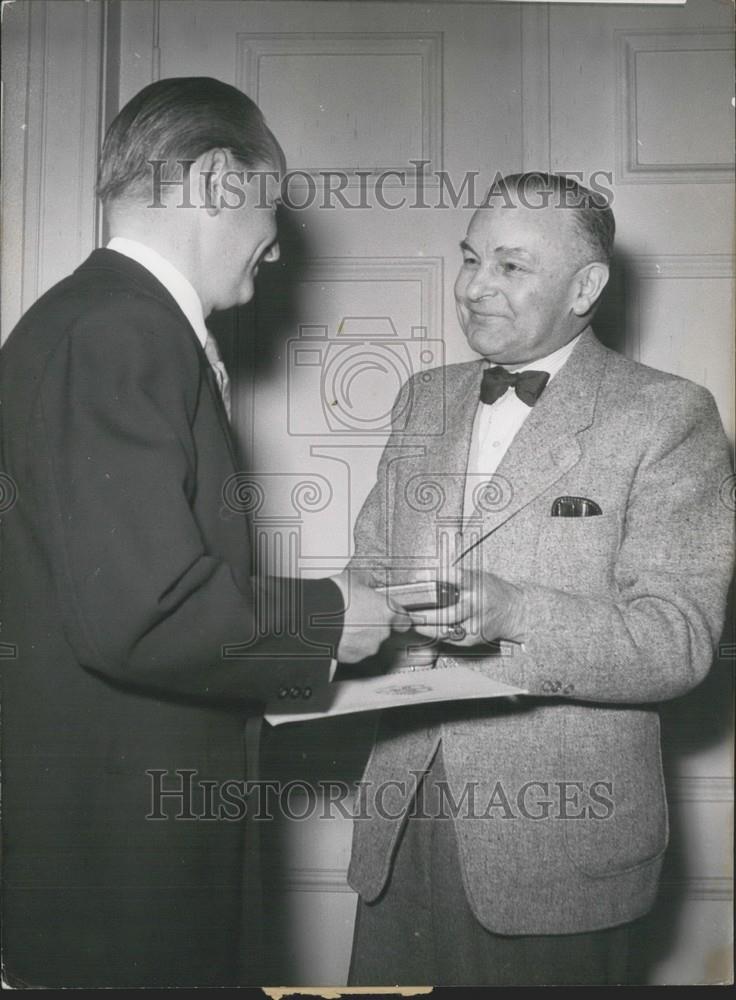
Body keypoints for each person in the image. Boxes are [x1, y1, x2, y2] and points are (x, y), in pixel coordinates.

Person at [0, 77, 404, 988]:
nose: (274, 244)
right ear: (221, 180)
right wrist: (330, 618)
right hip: (126, 870)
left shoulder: (100, 322)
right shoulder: (120, 330)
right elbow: (143, 611)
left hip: (121, 844)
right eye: (272, 203)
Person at [345, 172, 734, 986]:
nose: (474, 286)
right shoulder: (423, 398)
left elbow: (678, 641)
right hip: (401, 820)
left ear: (585, 286)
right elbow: (369, 573)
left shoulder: (667, 415)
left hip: (559, 849)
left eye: (511, 267)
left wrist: (516, 610)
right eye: (470, 258)